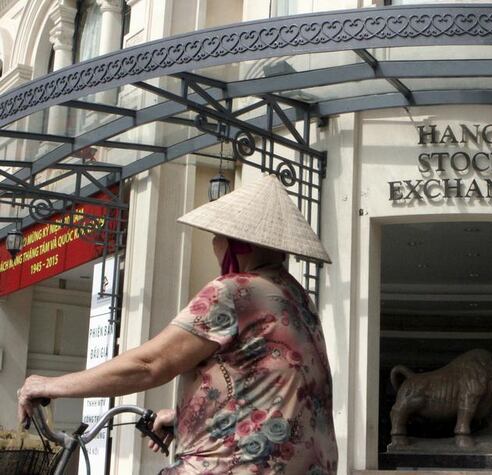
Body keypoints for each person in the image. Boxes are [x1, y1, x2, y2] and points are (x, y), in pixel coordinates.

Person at [17, 174, 338, 474]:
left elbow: (150, 364)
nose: (215, 245)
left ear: (237, 243)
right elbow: (271, 385)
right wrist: (186, 415)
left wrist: (49, 386)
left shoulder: (236, 291)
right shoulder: (297, 298)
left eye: (217, 237)